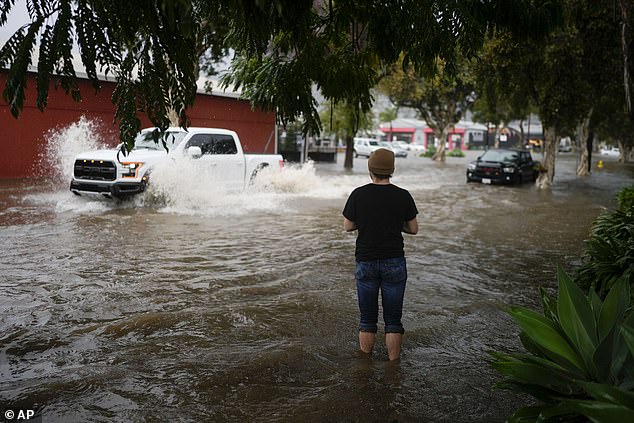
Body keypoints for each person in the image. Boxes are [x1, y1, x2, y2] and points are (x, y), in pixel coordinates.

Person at [342, 148, 418, 361]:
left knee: (367, 319)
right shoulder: (403, 195)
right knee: (393, 320)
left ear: (370, 170)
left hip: (366, 261)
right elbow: (413, 229)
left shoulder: (359, 194)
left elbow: (348, 226)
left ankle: (365, 367)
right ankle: (393, 367)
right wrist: (395, 225)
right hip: (394, 261)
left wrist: (366, 223)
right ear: (391, 170)